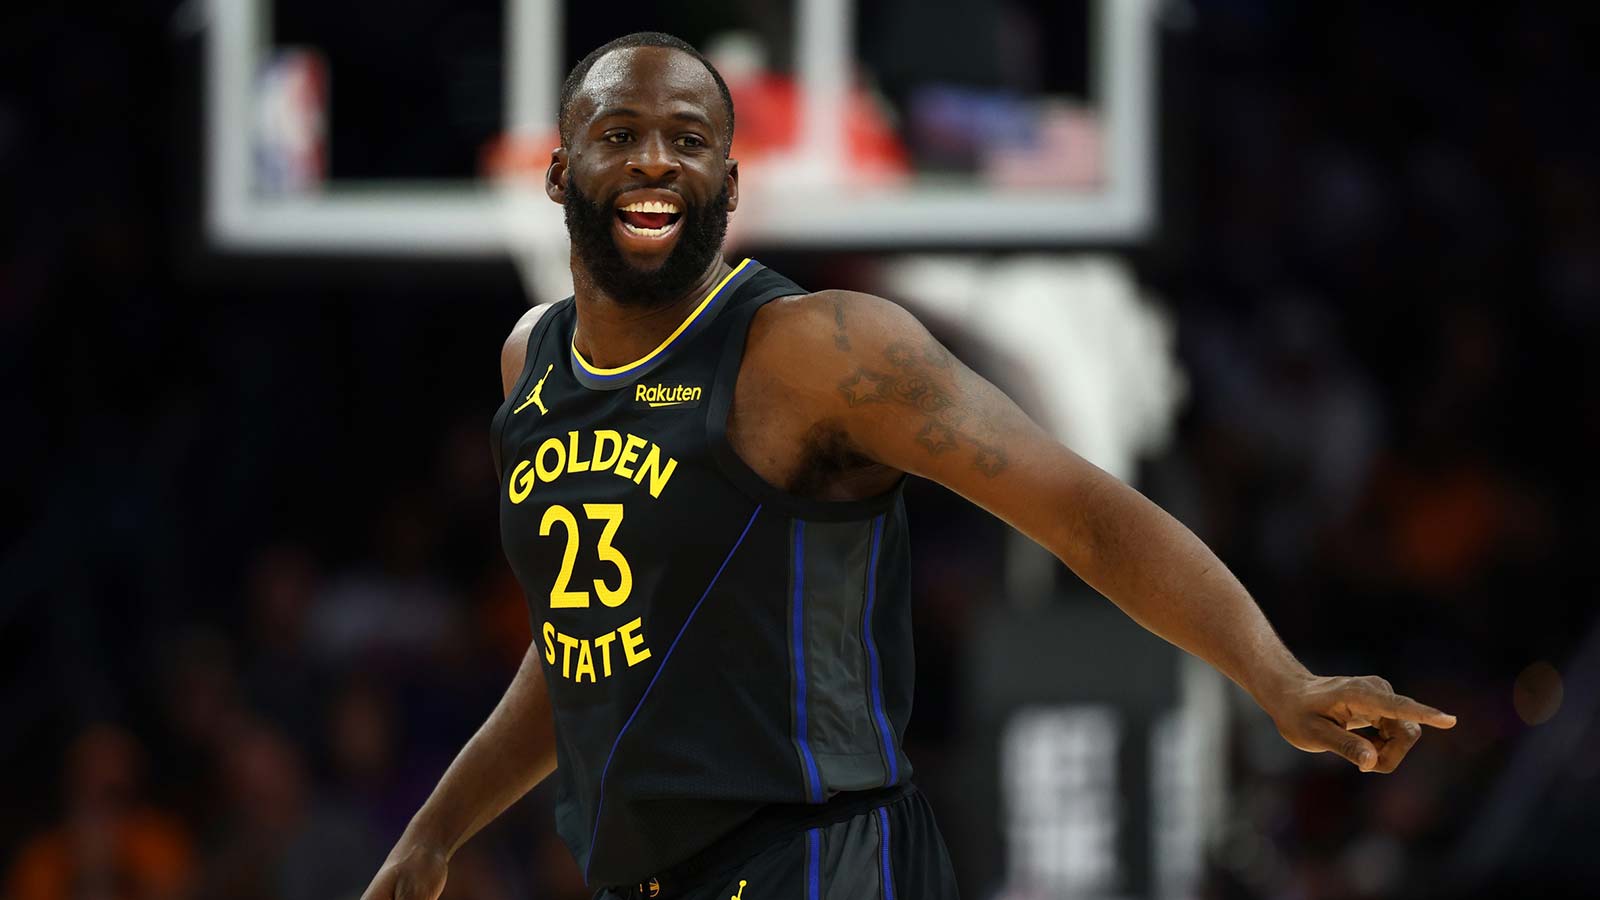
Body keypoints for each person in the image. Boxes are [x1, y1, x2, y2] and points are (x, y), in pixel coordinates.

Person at [360, 31, 1456, 900]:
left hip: (817, 860)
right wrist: (434, 831)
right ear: (556, 174)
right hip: (641, 874)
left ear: (732, 186)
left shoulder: (817, 352)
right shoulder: (530, 364)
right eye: (621, 133)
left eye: (689, 138)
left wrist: (1275, 676)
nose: (655, 158)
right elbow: (584, 646)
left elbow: (1081, 511)